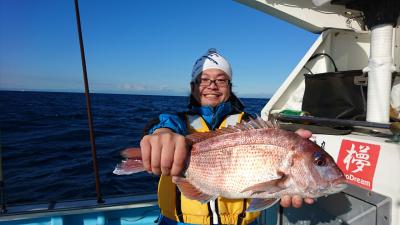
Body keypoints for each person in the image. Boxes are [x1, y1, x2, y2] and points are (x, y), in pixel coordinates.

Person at [140, 48, 314, 225]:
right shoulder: (178, 122)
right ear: (193, 87)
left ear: (229, 87)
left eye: (221, 80)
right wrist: (161, 133)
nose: (212, 86)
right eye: (204, 80)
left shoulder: (249, 124)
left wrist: (295, 147)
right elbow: (161, 124)